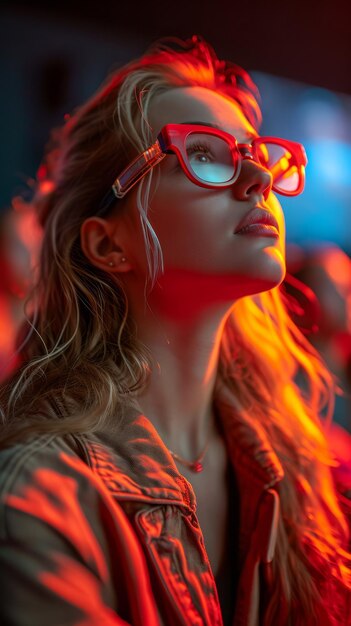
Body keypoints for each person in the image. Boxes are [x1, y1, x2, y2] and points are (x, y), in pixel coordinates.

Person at [0, 35, 350, 626]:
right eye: (206, 153)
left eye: (260, 155)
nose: (259, 178)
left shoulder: (298, 456)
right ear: (108, 244)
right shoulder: (38, 495)